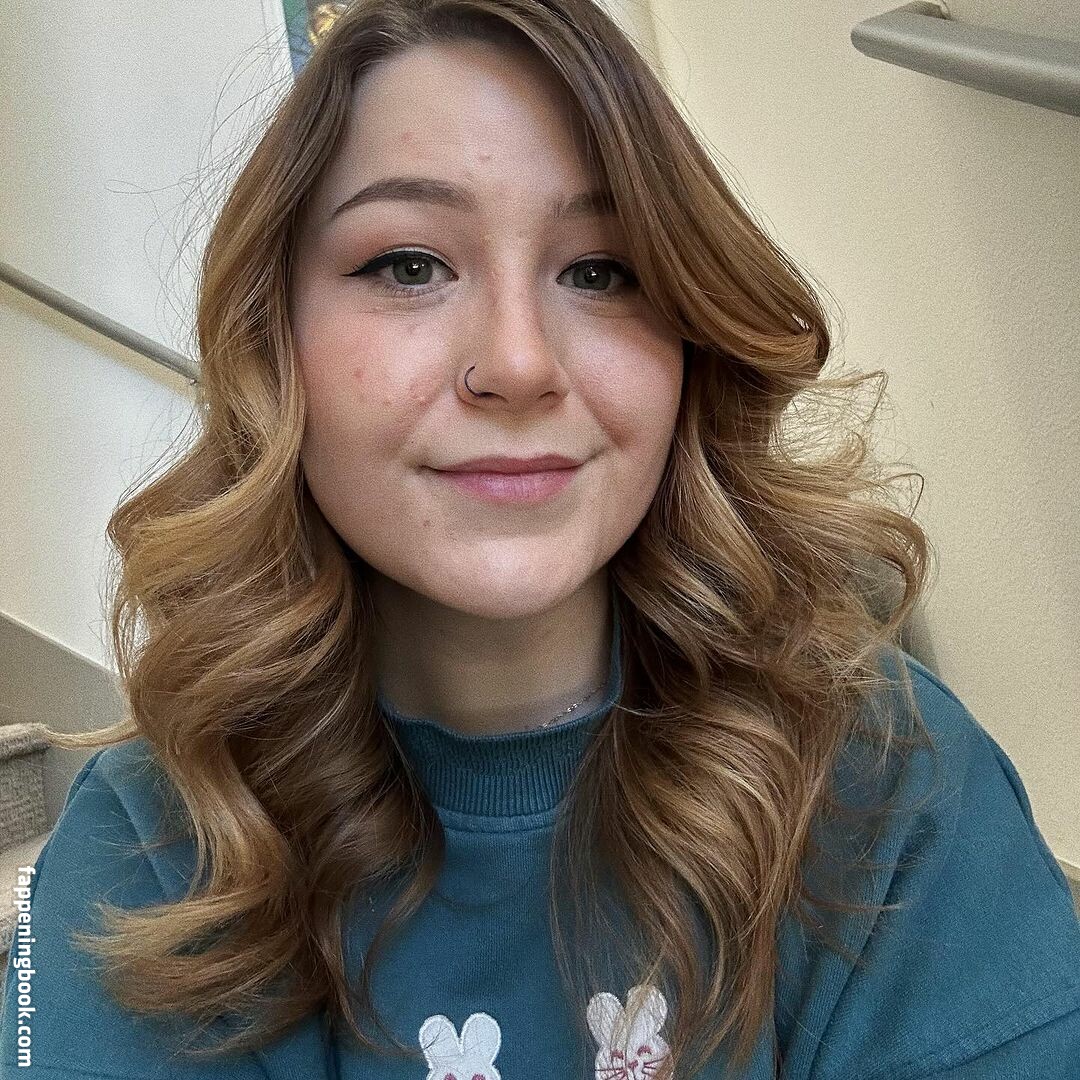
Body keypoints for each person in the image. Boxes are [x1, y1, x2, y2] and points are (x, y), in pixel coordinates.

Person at [3, 1, 1078, 1077]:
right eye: (409, 265)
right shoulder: (151, 847)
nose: (517, 364)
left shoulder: (891, 781)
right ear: (273, 340)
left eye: (601, 271)